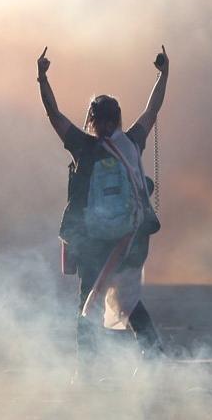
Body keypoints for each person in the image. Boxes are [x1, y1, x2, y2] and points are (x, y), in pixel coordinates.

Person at [36, 45, 170, 380]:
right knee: (129, 300)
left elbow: (54, 115)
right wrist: (163, 74)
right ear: (119, 118)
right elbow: (151, 111)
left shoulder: (84, 146)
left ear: (92, 119)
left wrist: (42, 77)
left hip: (94, 241)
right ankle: (152, 356)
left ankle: (88, 371)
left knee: (88, 304)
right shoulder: (132, 143)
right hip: (127, 241)